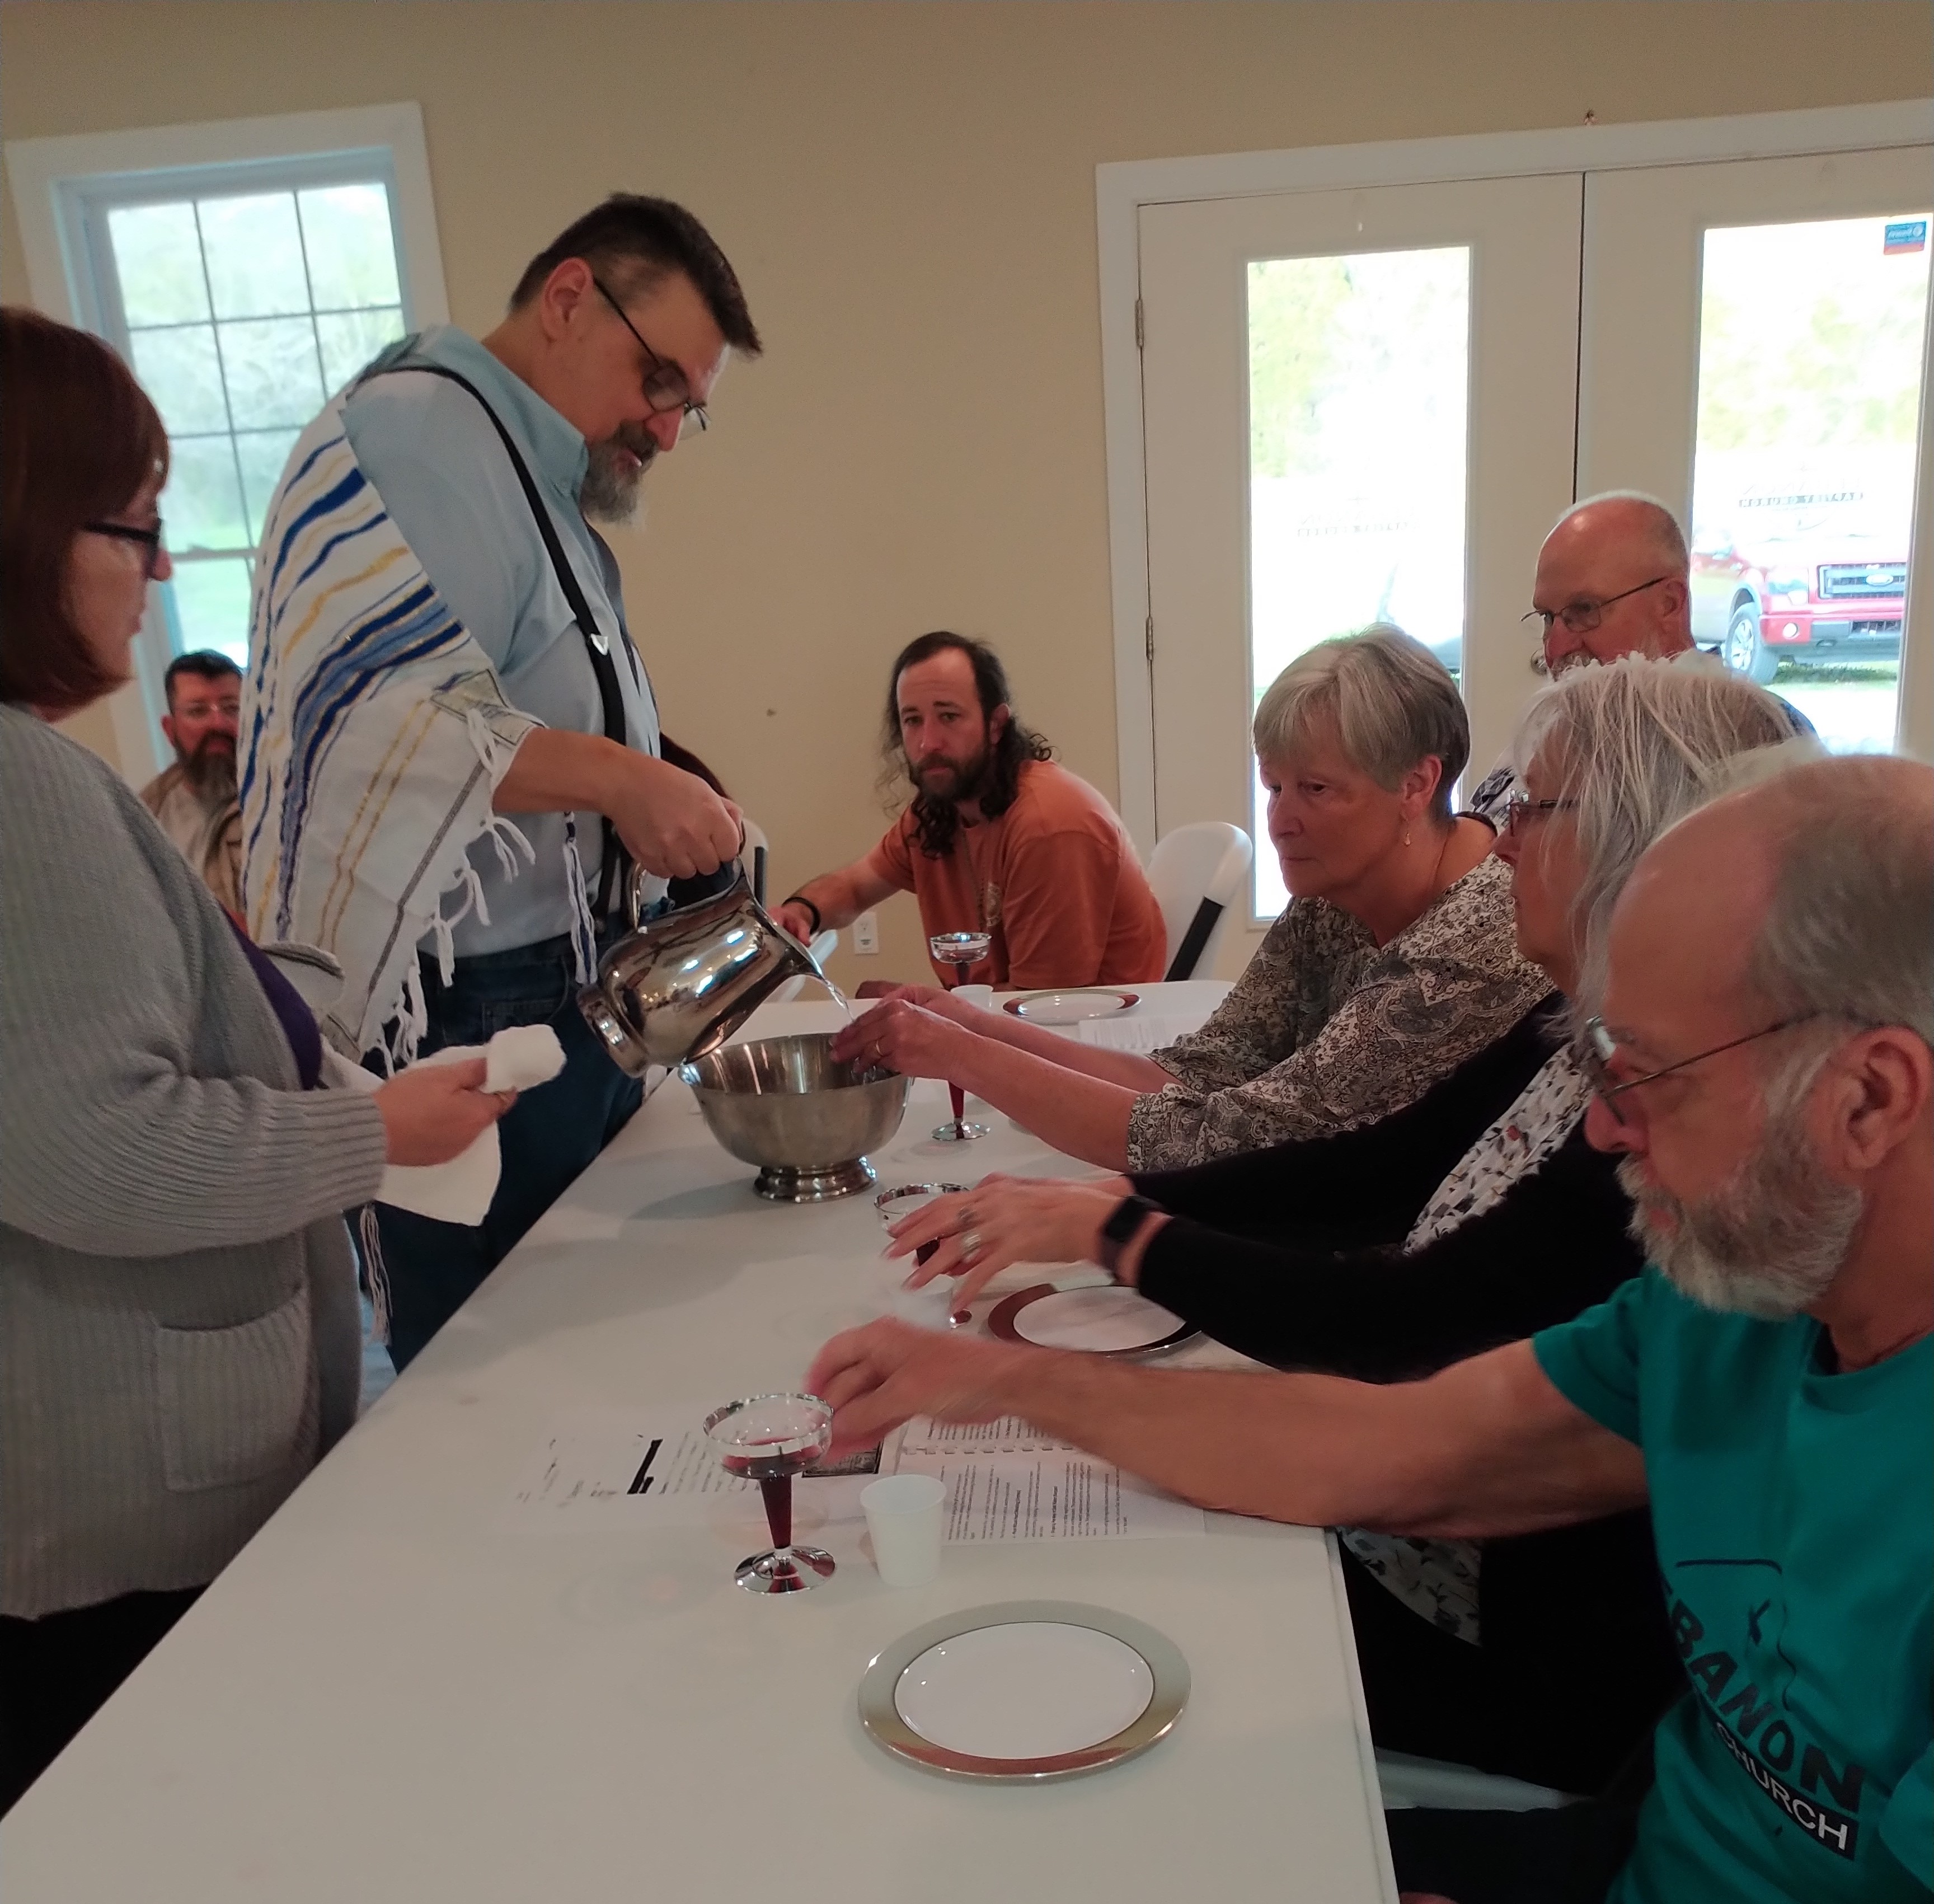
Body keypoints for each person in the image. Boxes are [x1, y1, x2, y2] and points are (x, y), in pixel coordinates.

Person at [808, 750, 1932, 1904]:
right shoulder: (1727, 1308)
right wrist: (994, 1383)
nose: (1599, 1129)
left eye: (1644, 1073)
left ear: (1870, 1099)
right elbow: (1383, 1449)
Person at [880, 657, 1796, 1794]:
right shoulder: (1582, 1028)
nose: (1501, 842)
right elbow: (1368, 1166)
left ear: (1642, 845)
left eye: (1531, 810)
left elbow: (1410, 1329)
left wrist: (1115, 1244)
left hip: (1495, 1639)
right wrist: (1119, 1211)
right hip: (1418, 1533)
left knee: (1074, 1614)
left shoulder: (1669, 1126)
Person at [0, 309, 512, 1813]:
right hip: (124, 1515)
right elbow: (99, 1148)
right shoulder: (29, 791)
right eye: (134, 527)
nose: (157, 569)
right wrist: (379, 1134)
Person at [240, 194, 759, 1370]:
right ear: (570, 298)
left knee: (580, 1346)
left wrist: (661, 789)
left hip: (555, 980)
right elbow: (390, 723)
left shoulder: (528, 465)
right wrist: (623, 779)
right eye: (660, 381)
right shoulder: (424, 433)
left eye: (688, 404)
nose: (667, 431)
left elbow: (524, 693)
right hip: (468, 1009)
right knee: (495, 1372)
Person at [832, 625, 1549, 1170]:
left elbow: (1218, 1139)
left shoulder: (1467, 953)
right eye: (1274, 786)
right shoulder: (1341, 886)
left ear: (1416, 784)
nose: (1281, 819)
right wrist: (970, 1022)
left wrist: (964, 1054)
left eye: (1316, 789)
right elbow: (1198, 1073)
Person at [772, 632, 1165, 990]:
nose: (928, 743)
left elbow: (1043, 1007)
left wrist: (913, 1007)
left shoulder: (1049, 826)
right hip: (1009, 1023)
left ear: (996, 725)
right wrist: (802, 913)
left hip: (1089, 1033)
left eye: (949, 717)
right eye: (913, 721)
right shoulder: (937, 813)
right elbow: (854, 888)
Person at [1468, 490, 1813, 823]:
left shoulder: (1746, 736)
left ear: (1669, 604)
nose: (1555, 648)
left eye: (1584, 610)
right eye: (1547, 617)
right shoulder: (1552, 726)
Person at [138, 649, 243, 913]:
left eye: (232, 708)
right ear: (170, 730)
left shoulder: (284, 805)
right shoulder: (145, 818)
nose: (218, 723)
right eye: (198, 711)